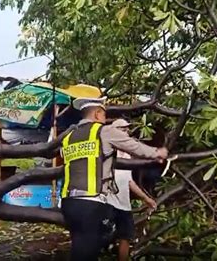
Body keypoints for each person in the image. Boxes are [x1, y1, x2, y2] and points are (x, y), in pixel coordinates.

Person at [60, 97, 168, 261]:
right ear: (97, 113)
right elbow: (133, 145)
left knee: (80, 247)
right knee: (86, 252)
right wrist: (157, 153)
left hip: (69, 202)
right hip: (91, 202)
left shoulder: (69, 136)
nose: (104, 120)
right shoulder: (103, 131)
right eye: (103, 115)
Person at [108, 119, 157, 261]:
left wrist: (146, 199)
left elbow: (128, 181)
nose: (126, 132)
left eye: (127, 129)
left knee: (126, 237)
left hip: (123, 204)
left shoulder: (127, 154)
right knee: (99, 236)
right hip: (106, 202)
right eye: (122, 129)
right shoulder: (106, 150)